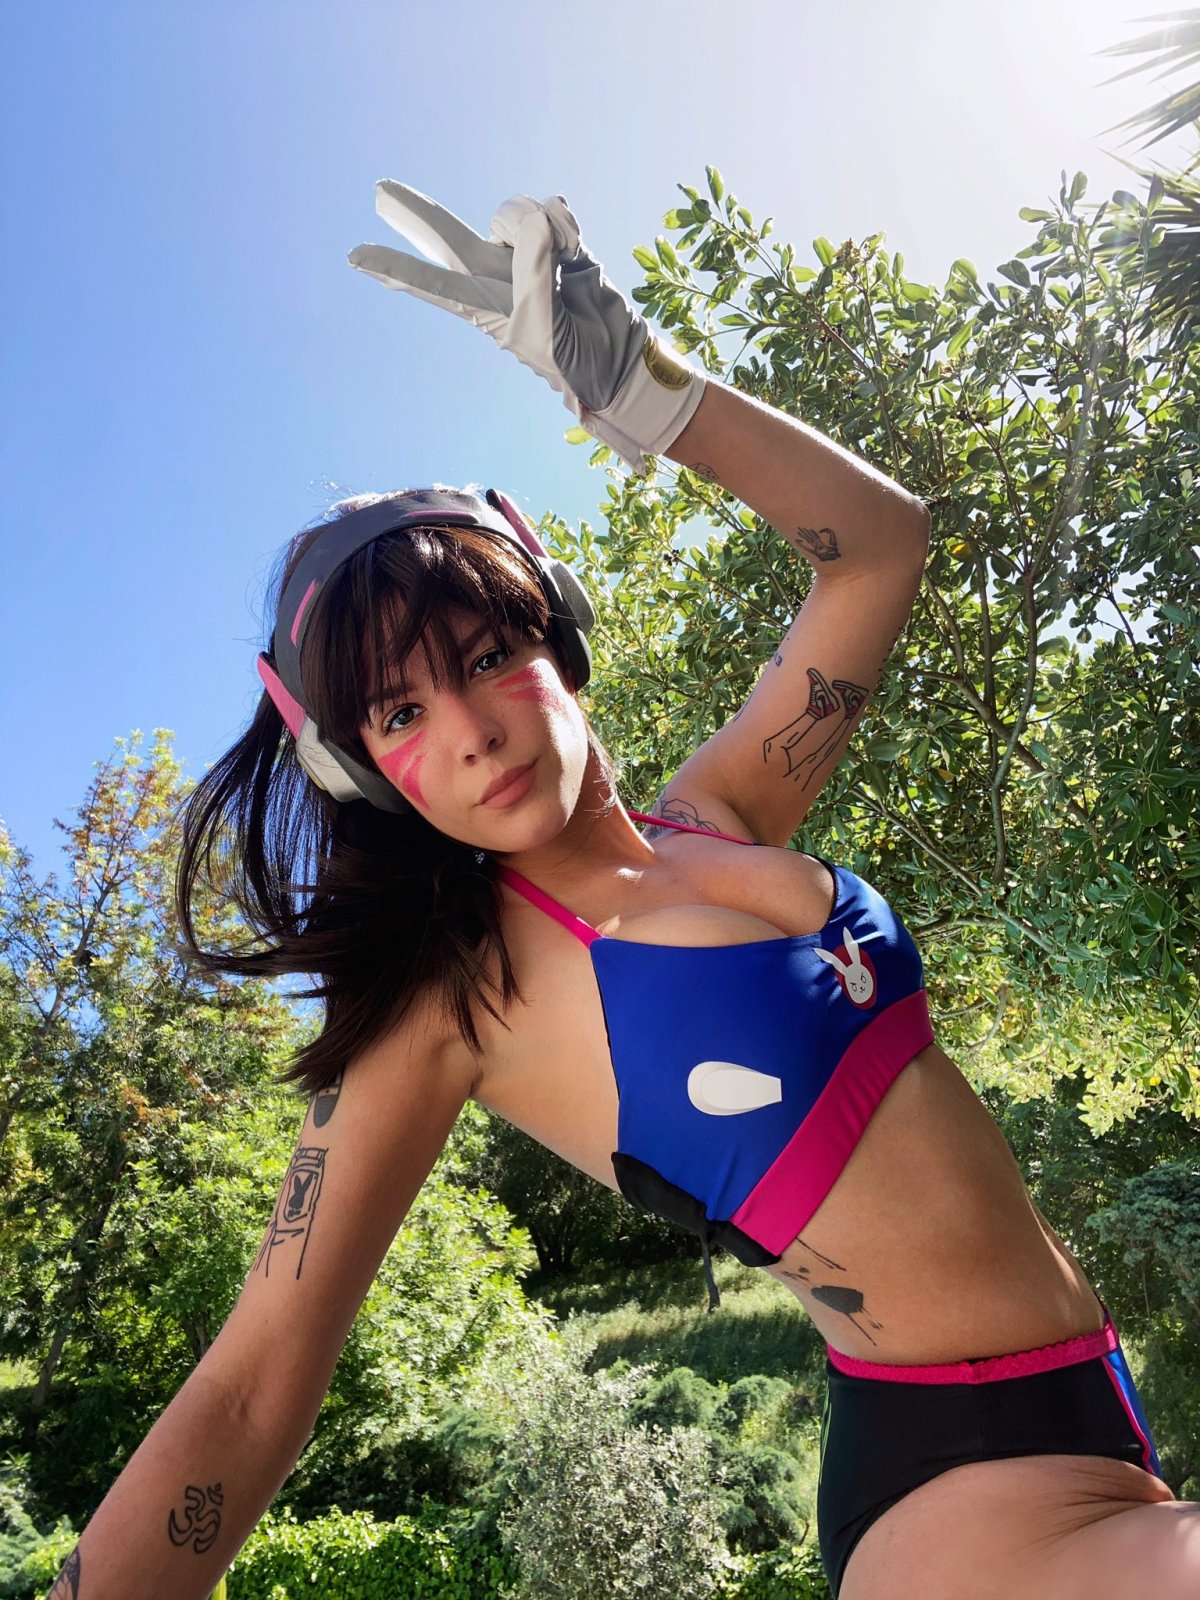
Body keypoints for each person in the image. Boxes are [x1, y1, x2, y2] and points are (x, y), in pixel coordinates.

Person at [50, 184, 1197, 1600]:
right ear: (359, 772)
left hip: (1099, 1414)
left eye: (485, 658)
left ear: (559, 634)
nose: (469, 732)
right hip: (956, 1497)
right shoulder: (454, 1003)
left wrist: (641, 387)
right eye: (399, 714)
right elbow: (251, 1387)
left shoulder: (722, 815)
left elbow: (880, 546)